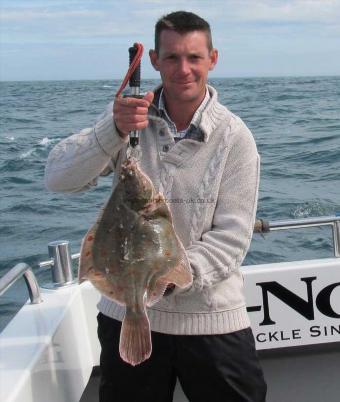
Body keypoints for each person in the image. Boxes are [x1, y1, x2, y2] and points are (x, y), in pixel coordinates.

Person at [45, 10, 267, 402]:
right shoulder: (126, 122)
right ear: (154, 60)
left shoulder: (236, 138)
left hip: (211, 321)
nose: (184, 68)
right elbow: (58, 178)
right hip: (122, 316)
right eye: (172, 57)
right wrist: (110, 130)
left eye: (194, 57)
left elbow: (231, 239)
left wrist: (165, 281)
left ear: (212, 59)